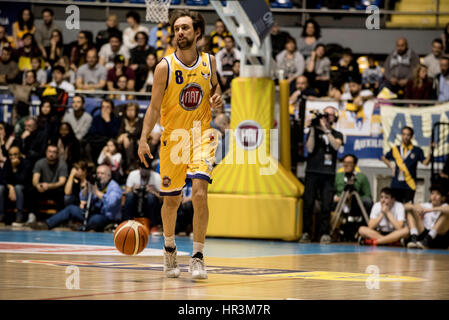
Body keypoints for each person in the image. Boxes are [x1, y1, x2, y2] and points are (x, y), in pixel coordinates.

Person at [138, 9, 223, 280]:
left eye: (185, 28)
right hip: (173, 139)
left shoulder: (210, 61)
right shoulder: (164, 66)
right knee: (172, 200)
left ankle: (197, 256)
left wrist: (217, 98)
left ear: (197, 32)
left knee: (199, 193)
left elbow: (215, 89)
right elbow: (153, 108)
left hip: (202, 135)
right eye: (176, 28)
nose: (180, 33)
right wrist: (142, 138)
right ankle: (170, 248)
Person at [30, 164, 122, 232]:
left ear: (109, 176)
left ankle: (84, 228)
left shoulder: (114, 186)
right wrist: (85, 190)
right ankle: (46, 224)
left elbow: (112, 203)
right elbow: (84, 199)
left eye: (102, 173)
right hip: (90, 214)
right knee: (71, 209)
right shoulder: (96, 184)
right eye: (98, 173)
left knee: (95, 219)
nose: (99, 175)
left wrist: (97, 193)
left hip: (106, 216)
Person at [300, 106, 344, 244]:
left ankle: (325, 233)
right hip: (312, 171)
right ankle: (306, 232)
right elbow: (310, 148)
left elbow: (337, 147)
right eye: (325, 115)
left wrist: (326, 130)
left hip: (328, 173)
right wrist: (313, 128)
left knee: (326, 204)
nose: (326, 117)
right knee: (308, 203)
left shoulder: (337, 134)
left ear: (334, 117)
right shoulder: (314, 132)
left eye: (329, 115)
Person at [381, 126, 431, 204]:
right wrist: (391, 165)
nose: (405, 137)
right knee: (395, 206)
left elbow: (425, 163)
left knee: (408, 207)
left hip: (409, 184)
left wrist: (430, 151)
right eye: (404, 134)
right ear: (401, 135)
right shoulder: (396, 149)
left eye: (408, 135)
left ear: (411, 136)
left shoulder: (417, 150)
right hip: (396, 184)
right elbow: (383, 158)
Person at [29, 144, 68, 220]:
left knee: (62, 193)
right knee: (32, 191)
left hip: (55, 189)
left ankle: (59, 219)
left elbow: (62, 182)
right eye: (49, 151)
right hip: (42, 189)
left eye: (54, 152)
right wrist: (38, 186)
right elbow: (35, 180)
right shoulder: (39, 163)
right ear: (46, 152)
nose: (51, 154)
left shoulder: (62, 164)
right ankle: (32, 215)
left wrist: (48, 186)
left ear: (57, 154)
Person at [124, 162, 162, 234]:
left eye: (146, 170)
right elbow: (126, 192)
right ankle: (127, 223)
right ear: (139, 168)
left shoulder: (156, 177)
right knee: (130, 196)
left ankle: (154, 226)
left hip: (151, 203)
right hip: (136, 201)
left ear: (150, 170)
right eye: (142, 169)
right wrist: (133, 189)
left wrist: (155, 191)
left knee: (151, 197)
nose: (144, 171)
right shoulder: (133, 174)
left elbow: (163, 198)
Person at [405, 184, 448, 249]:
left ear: (443, 198)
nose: (434, 196)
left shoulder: (445, 205)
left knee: (445, 214)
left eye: (437, 194)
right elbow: (405, 206)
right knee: (410, 210)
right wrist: (415, 208)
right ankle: (414, 237)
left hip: (438, 236)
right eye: (432, 193)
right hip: (423, 235)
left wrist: (430, 210)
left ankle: (429, 238)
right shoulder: (426, 205)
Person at [83, 98, 120, 163]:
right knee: (87, 146)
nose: (104, 109)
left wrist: (108, 121)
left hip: (108, 141)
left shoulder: (116, 119)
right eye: (103, 107)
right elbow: (92, 132)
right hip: (96, 141)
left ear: (112, 109)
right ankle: (90, 165)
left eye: (107, 107)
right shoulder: (96, 118)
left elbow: (114, 134)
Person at [0, 146, 31, 224]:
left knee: (18, 187)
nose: (12, 157)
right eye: (10, 155)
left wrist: (14, 168)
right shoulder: (7, 162)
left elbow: (22, 180)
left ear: (20, 154)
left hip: (24, 188)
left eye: (15, 154)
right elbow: (2, 178)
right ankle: (1, 215)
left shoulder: (26, 163)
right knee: (0, 188)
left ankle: (19, 216)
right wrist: (10, 187)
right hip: (11, 187)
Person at [117, 102, 143, 172]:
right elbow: (120, 133)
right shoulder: (123, 120)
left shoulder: (140, 120)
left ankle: (130, 165)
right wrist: (124, 137)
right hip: (124, 144)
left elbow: (137, 133)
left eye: (132, 110)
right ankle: (122, 166)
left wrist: (126, 136)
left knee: (130, 142)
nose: (130, 112)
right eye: (128, 110)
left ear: (136, 111)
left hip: (137, 143)